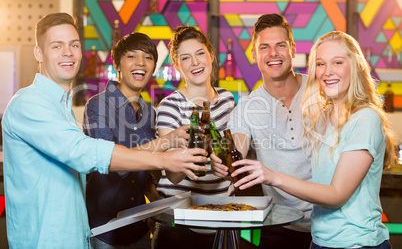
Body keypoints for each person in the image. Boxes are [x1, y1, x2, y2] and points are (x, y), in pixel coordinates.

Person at [1, 12, 207, 248]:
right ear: (39, 53)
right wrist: (164, 152)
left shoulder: (63, 108)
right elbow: (86, 153)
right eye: (57, 46)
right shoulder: (30, 103)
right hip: (53, 239)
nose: (68, 52)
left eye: (74, 45)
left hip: (85, 236)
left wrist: (158, 201)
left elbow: (143, 176)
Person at [231, 31, 395, 248]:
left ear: (355, 66)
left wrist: (271, 176)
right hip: (319, 241)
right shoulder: (323, 117)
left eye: (337, 62)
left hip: (357, 243)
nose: (327, 72)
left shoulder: (365, 118)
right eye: (320, 64)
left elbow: (337, 194)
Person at [211, 13, 312, 248]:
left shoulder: (319, 90)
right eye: (264, 47)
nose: (273, 54)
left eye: (280, 46)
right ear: (254, 55)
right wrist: (223, 161)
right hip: (281, 226)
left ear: (293, 50)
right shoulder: (247, 107)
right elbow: (236, 150)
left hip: (331, 223)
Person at [152, 26, 235, 249]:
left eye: (200, 53)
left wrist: (227, 164)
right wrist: (202, 147)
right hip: (179, 226)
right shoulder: (170, 106)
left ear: (211, 56)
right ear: (178, 66)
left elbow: (234, 160)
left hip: (222, 220)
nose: (195, 63)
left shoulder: (228, 100)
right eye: (185, 58)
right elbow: (173, 175)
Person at [83, 32, 169, 248]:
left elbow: (144, 165)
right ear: (118, 64)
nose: (141, 63)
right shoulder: (98, 106)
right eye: (132, 56)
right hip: (104, 231)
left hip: (139, 228)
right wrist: (167, 142)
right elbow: (110, 162)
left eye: (148, 57)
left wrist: (152, 191)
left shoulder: (150, 113)